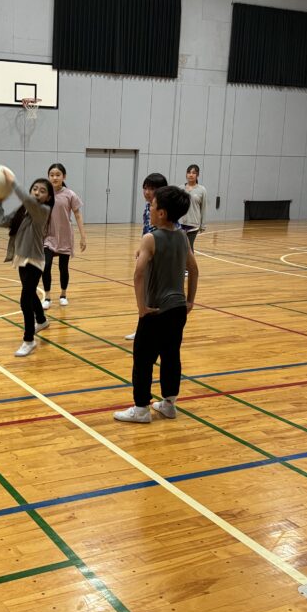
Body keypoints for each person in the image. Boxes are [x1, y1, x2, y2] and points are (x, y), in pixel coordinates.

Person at [115, 186, 198, 424]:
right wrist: (190, 300)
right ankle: (169, 404)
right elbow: (194, 270)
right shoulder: (182, 237)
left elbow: (138, 274)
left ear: (161, 213)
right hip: (178, 309)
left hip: (156, 311)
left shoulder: (150, 238)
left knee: (143, 359)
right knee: (171, 355)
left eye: (152, 206)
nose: (149, 209)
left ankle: (141, 408)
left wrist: (141, 307)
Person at [0, 173, 54, 357]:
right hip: (21, 258)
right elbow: (2, 222)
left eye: (42, 191)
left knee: (25, 299)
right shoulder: (23, 210)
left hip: (35, 260)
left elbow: (27, 200)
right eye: (34, 189)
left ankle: (29, 340)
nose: (37, 193)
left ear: (48, 197)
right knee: (30, 294)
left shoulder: (43, 211)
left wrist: (13, 182)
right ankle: (41, 320)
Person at [125, 172, 170, 341]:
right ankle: (143, 328)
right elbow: (146, 230)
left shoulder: (167, 210)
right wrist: (141, 247)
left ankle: (155, 330)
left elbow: (170, 232)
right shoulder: (147, 207)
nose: (147, 192)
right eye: (145, 188)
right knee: (145, 294)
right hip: (149, 252)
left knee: (156, 295)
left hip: (161, 257)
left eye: (151, 189)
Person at [42, 163, 85, 308]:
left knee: (63, 267)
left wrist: (83, 237)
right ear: (48, 177)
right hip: (48, 236)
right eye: (52, 175)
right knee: (46, 266)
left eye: (57, 175)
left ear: (64, 177)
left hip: (65, 236)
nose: (54, 177)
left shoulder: (70, 194)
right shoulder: (44, 193)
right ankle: (47, 297)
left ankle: (63, 295)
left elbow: (77, 215)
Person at [179, 164, 206, 250]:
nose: (191, 175)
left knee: (189, 248)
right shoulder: (180, 188)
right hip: (180, 223)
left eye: (193, 173)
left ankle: (190, 260)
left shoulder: (202, 190)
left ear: (197, 175)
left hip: (193, 224)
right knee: (179, 248)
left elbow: (203, 208)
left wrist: (203, 225)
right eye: (189, 172)